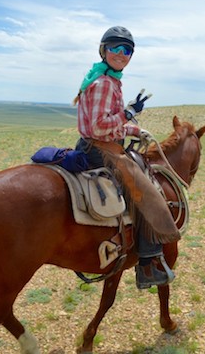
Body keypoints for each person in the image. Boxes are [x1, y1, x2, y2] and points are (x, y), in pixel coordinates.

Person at [73, 26, 180, 289]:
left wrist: (133, 129)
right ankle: (147, 262)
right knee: (145, 192)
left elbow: (105, 124)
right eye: (115, 48)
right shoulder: (104, 83)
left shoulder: (101, 78)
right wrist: (129, 112)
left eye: (127, 50)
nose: (121, 54)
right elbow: (99, 126)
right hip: (100, 150)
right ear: (104, 50)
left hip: (98, 145)